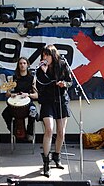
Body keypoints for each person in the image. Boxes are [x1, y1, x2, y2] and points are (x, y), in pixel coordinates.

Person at [36, 45, 73, 177]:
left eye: (47, 55)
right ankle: (46, 162)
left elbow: (70, 82)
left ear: (53, 55)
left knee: (61, 132)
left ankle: (57, 156)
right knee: (49, 129)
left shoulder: (62, 64)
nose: (44, 58)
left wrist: (64, 84)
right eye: (43, 55)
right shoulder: (39, 69)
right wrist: (44, 72)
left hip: (61, 100)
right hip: (47, 101)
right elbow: (40, 85)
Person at [2, 57, 38, 141]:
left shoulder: (32, 78)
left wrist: (28, 95)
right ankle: (14, 131)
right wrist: (12, 94)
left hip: (28, 104)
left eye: (24, 63)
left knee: (33, 111)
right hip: (15, 104)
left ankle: (29, 133)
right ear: (18, 65)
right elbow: (7, 93)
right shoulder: (13, 78)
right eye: (20, 63)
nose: (22, 65)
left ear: (27, 65)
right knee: (5, 114)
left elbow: (36, 95)